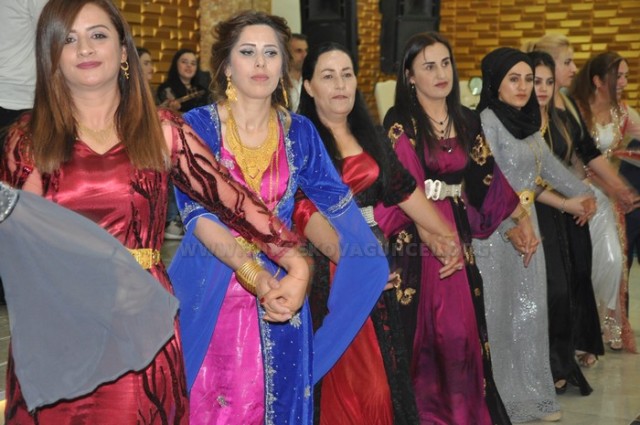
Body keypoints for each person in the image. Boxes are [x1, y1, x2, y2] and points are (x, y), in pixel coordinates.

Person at [1, 1, 311, 423]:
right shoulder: (27, 139)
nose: (85, 48)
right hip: (57, 328)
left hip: (139, 326)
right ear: (51, 55)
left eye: (98, 35)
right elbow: (17, 242)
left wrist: (294, 260)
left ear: (123, 50)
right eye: (69, 39)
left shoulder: (162, 130)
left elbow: (233, 200)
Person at [167, 11, 389, 425]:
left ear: (284, 65)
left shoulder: (300, 133)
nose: (260, 63)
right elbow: (198, 215)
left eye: (271, 53)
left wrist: (364, 261)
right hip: (211, 289)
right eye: (247, 52)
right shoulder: (196, 127)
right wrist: (256, 275)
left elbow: (340, 209)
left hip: (283, 299)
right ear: (226, 65)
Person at [295, 41, 462, 425]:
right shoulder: (301, 140)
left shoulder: (368, 134)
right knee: (350, 381)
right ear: (308, 86)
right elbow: (303, 211)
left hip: (373, 266)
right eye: (328, 76)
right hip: (333, 271)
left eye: (347, 74)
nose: (340, 84)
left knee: (383, 381)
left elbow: (403, 189)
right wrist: (357, 265)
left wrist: (445, 235)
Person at [375, 32, 538, 425]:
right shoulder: (400, 121)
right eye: (428, 66)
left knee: (460, 333)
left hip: (455, 231)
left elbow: (486, 178)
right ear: (410, 76)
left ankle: (464, 415)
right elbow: (402, 185)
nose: (440, 73)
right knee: (427, 335)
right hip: (416, 236)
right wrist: (433, 235)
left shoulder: (466, 119)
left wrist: (520, 218)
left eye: (445, 63)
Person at [473, 47, 596, 423]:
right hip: (496, 232)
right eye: (514, 79)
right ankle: (503, 399)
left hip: (530, 231)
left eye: (528, 79)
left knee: (530, 314)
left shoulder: (527, 123)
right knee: (499, 317)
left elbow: (551, 169)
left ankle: (533, 395)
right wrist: (510, 225)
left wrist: (584, 195)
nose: (524, 87)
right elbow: (486, 184)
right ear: (495, 83)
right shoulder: (486, 122)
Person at [527, 50, 594, 395]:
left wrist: (584, 197)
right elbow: (529, 180)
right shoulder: (519, 126)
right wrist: (571, 201)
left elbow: (571, 164)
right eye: (535, 81)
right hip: (532, 212)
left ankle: (561, 362)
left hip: (561, 215)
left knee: (567, 287)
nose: (542, 88)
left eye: (548, 82)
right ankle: (544, 366)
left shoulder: (558, 119)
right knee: (548, 291)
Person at [570, 51, 640, 353]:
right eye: (617, 76)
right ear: (598, 80)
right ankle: (579, 331)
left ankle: (602, 326)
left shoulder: (623, 113)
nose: (623, 82)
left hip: (607, 201)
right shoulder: (576, 110)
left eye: (626, 76)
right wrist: (612, 185)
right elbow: (575, 157)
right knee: (581, 265)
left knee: (612, 261)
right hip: (576, 196)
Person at [156, 48, 210, 240]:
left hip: (199, 142)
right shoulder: (166, 90)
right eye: (184, 62)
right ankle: (173, 220)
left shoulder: (203, 91)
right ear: (176, 64)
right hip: (174, 142)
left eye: (193, 63)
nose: (189, 66)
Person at [288, 33, 308, 112]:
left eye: (306, 51)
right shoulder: (278, 82)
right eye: (299, 51)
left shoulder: (312, 79)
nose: (305, 55)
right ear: (287, 53)